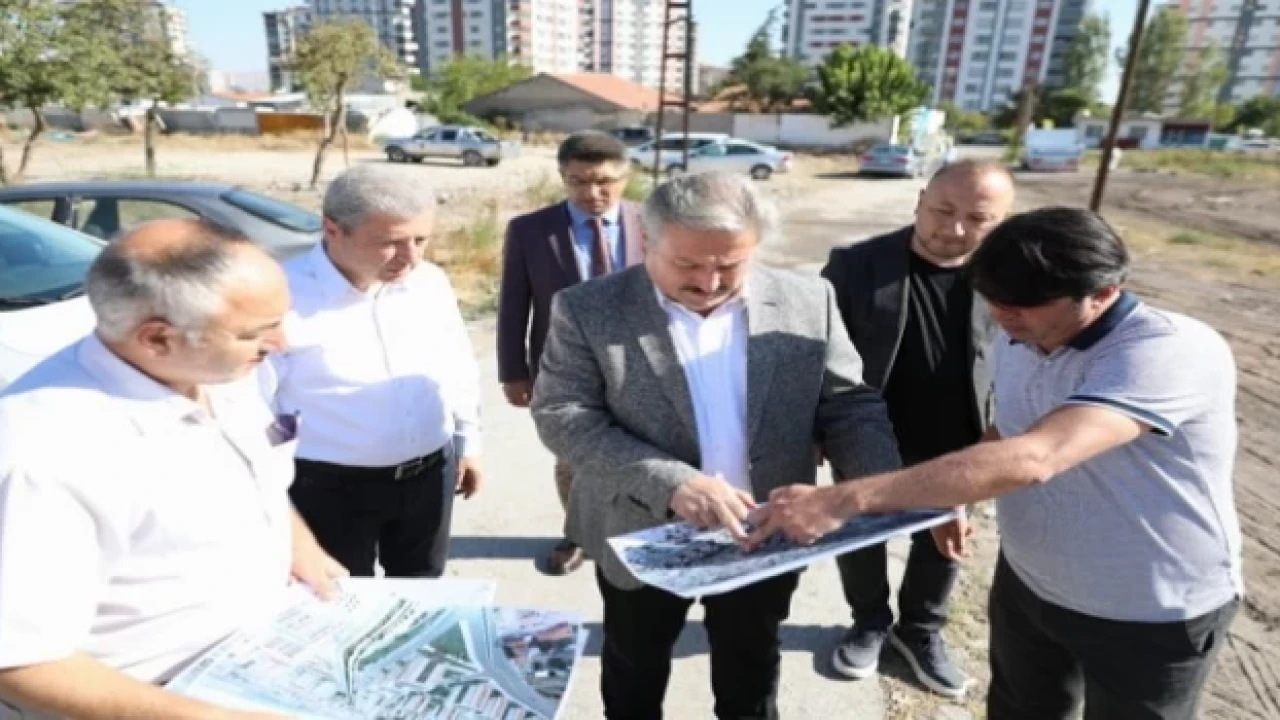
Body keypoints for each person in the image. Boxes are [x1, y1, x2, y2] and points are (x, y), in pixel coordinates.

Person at [751, 207, 1243, 720]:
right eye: (995, 301)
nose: (1002, 317)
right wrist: (949, 499)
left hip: (1149, 610)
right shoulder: (1021, 335)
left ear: (1102, 294)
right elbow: (1007, 430)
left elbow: (1037, 456)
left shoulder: (1166, 351)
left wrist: (844, 498)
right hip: (1030, 587)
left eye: (1022, 305)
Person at [531, 172, 901, 720]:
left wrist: (888, 488)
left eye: (730, 265)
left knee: (751, 670)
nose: (709, 283)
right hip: (640, 530)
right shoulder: (588, 308)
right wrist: (671, 483)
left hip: (764, 531)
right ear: (647, 240)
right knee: (634, 669)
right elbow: (563, 415)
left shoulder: (807, 299)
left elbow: (848, 403)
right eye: (688, 265)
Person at [0, 219, 342, 720]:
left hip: (263, 662)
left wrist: (298, 543)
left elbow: (254, 471)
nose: (283, 342)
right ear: (157, 339)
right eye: (255, 332)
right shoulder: (43, 451)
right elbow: (20, 660)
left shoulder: (220, 369)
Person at [819, 159, 1015, 696]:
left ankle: (920, 631)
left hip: (961, 439)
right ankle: (868, 622)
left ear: (1001, 222)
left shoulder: (1010, 276)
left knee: (944, 543)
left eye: (978, 219)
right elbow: (815, 351)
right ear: (920, 199)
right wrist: (816, 426)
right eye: (943, 210)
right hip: (869, 436)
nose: (954, 229)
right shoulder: (857, 266)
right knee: (861, 535)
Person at [261, 164, 483, 579]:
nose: (411, 257)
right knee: (340, 604)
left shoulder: (429, 282)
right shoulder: (280, 297)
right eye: (390, 243)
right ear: (332, 229)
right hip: (327, 490)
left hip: (430, 477)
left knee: (423, 597)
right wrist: (276, 501)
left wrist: (467, 442)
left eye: (421, 240)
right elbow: (256, 411)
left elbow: (456, 364)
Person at [498, 130, 646, 576]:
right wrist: (513, 371)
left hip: (639, 365)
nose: (592, 193)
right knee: (572, 457)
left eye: (604, 181)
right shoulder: (531, 231)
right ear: (563, 177)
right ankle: (578, 534)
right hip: (563, 368)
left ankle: (635, 532)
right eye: (578, 181)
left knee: (641, 452)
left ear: (625, 177)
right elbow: (514, 304)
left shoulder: (651, 223)